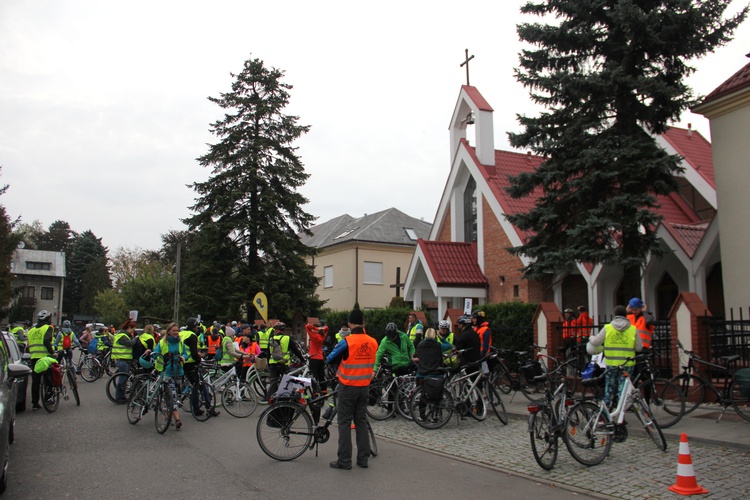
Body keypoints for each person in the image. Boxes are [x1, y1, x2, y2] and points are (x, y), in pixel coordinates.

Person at [326, 308, 378, 470]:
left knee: (344, 423)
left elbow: (330, 359)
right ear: (363, 322)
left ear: (349, 323)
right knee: (361, 422)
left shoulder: (347, 341)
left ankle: (344, 461)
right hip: (364, 387)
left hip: (348, 386)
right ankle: (363, 459)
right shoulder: (373, 341)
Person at [586, 305, 643, 406]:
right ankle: (621, 412)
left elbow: (595, 342)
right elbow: (639, 348)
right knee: (623, 389)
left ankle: (606, 412)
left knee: (610, 387)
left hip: (611, 364)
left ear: (615, 315)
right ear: (626, 315)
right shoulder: (633, 329)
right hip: (627, 364)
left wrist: (591, 337)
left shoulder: (608, 328)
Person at [146, 322, 188, 430]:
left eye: (177, 330)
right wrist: (153, 355)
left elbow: (185, 354)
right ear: (169, 331)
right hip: (166, 372)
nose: (176, 332)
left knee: (175, 396)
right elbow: (156, 353)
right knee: (172, 395)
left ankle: (167, 414)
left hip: (178, 372)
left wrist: (184, 357)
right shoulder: (163, 342)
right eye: (173, 330)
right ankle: (177, 419)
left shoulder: (180, 342)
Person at [27, 310, 57, 410]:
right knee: (50, 378)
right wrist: (52, 352)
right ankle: (48, 397)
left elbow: (28, 346)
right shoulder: (48, 328)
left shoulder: (31, 330)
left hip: (34, 358)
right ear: (48, 319)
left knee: (35, 381)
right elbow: (46, 340)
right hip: (45, 357)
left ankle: (35, 403)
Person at [267, 322, 305, 398]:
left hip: (273, 363)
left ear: (276, 330)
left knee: (273, 382)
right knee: (286, 381)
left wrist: (268, 364)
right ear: (283, 330)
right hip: (283, 363)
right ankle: (284, 398)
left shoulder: (271, 339)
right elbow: (295, 350)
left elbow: (268, 353)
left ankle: (271, 399)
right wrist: (302, 359)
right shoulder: (287, 338)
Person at [112, 320, 139, 402]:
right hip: (123, 359)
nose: (133, 332)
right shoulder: (122, 336)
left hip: (125, 359)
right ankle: (119, 397)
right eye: (133, 329)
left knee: (124, 379)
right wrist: (135, 338)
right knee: (122, 379)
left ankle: (122, 395)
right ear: (129, 328)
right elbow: (130, 343)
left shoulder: (124, 335)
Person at [305, 320, 329, 391]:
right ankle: (324, 391)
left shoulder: (313, 336)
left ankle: (315, 392)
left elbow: (307, 326)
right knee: (321, 376)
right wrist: (319, 329)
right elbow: (326, 328)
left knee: (314, 377)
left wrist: (314, 329)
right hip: (320, 358)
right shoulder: (322, 336)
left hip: (313, 358)